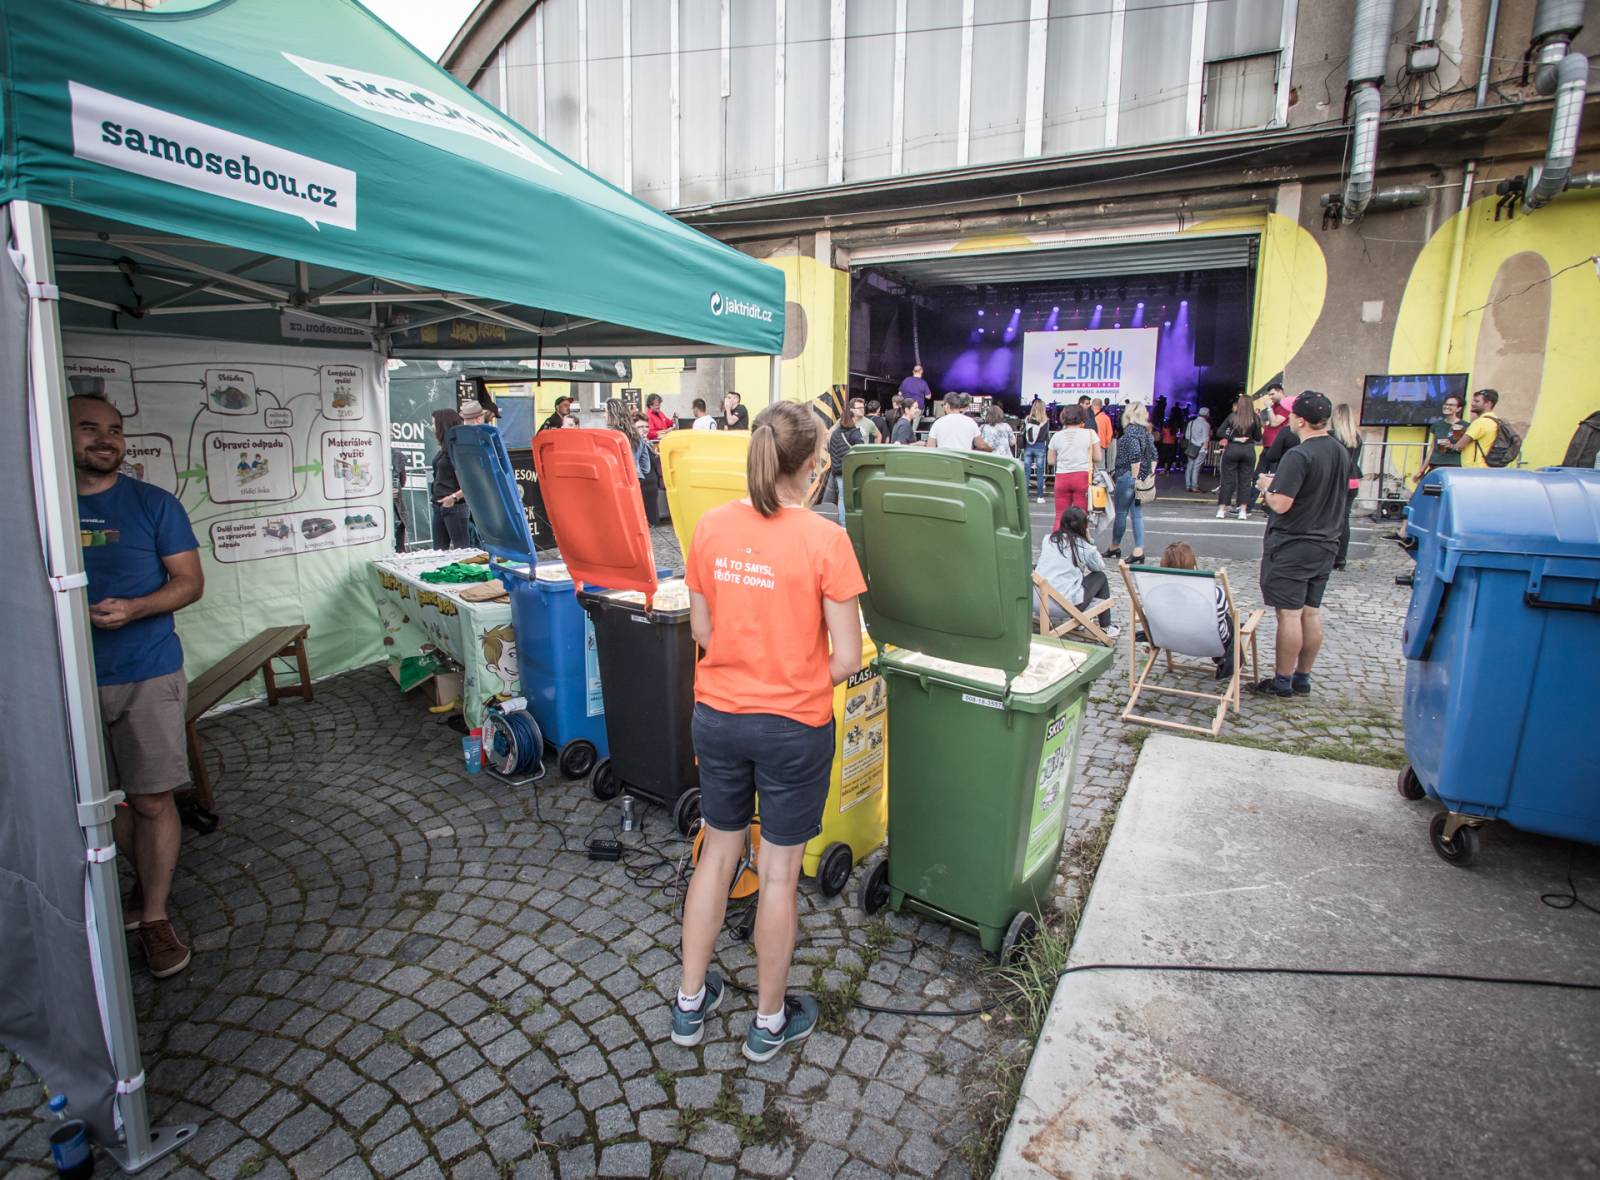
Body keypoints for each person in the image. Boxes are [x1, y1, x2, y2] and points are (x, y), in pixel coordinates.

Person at [674, 400, 866, 1062]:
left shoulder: (710, 527)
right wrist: (793, 675)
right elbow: (848, 656)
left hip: (718, 718)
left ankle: (689, 1005)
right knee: (779, 875)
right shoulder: (826, 540)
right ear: (812, 466)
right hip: (792, 728)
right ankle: (768, 1022)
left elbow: (702, 630)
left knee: (716, 856)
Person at [72, 395, 204, 979]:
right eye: (89, 428)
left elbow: (189, 582)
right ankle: (142, 880)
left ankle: (154, 915)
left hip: (145, 671)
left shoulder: (153, 504)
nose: (106, 439)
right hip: (63, 684)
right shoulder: (38, 505)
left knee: (151, 798)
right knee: (100, 803)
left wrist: (135, 608)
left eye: (115, 430)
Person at [1251, 391, 1349, 697]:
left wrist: (1266, 487)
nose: (1289, 418)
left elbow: (1281, 504)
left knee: (1290, 614)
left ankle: (1282, 681)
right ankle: (1302, 677)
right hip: (1326, 541)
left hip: (1295, 541)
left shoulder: (1299, 454)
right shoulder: (1339, 450)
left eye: (1292, 414)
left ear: (1301, 420)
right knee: (1311, 612)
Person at [1033, 506, 1117, 637]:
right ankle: (1105, 626)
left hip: (1038, 601)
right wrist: (1089, 541)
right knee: (1100, 577)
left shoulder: (1048, 539)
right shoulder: (1083, 546)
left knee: (1043, 568)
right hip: (1063, 607)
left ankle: (1083, 620)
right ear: (1083, 526)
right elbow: (1098, 567)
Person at [1161, 541, 1235, 680]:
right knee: (1228, 620)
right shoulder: (1214, 593)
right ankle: (1228, 661)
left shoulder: (1158, 594)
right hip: (1211, 643)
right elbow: (1219, 618)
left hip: (1170, 638)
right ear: (1193, 566)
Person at [1109, 401, 1157, 562]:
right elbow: (1154, 456)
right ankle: (1139, 549)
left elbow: (1135, 456)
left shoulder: (1129, 433)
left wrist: (1134, 477)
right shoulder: (1146, 434)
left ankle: (1114, 546)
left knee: (1121, 513)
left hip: (1127, 476)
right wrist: (1149, 475)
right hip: (1142, 478)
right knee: (1137, 515)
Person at [607, 398, 658, 525]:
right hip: (636, 480)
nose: (604, 415)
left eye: (606, 412)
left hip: (617, 482)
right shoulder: (636, 436)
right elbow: (646, 466)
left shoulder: (611, 436)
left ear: (612, 414)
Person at [1047, 404, 1100, 518]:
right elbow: (1098, 458)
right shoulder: (1090, 433)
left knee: (1060, 515)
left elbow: (1050, 461)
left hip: (1062, 477)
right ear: (1082, 417)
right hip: (1082, 476)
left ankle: (1060, 530)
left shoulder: (1056, 436)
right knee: (1081, 516)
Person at [1215, 393, 1261, 519]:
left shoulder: (1232, 416)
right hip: (1248, 450)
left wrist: (1234, 438)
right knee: (1245, 482)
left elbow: (1220, 432)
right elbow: (1258, 437)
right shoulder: (1255, 418)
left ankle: (1221, 510)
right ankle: (1243, 511)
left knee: (1227, 480)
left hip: (1232, 450)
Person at [429, 408, 471, 547]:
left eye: (434, 424)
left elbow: (471, 481)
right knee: (439, 550)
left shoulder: (458, 449)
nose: (432, 427)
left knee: (462, 549)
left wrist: (453, 498)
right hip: (439, 504)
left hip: (454, 506)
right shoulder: (444, 449)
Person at [1331, 403, 1365, 570]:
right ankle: (1341, 558)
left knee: (1331, 518)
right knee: (1344, 519)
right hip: (1353, 480)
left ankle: (1331, 554)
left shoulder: (1333, 437)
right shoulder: (1356, 437)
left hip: (1338, 480)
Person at [827, 406, 863, 526]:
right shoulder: (855, 433)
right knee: (855, 497)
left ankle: (843, 524)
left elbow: (831, 451)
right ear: (852, 418)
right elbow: (861, 450)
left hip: (838, 470)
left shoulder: (835, 434)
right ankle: (854, 522)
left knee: (842, 497)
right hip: (852, 470)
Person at [1450, 388, 1501, 467]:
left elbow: (1459, 446)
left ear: (1488, 404)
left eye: (1477, 401)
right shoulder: (1495, 421)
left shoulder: (1480, 422)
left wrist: (1450, 445)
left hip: (1474, 468)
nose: (1472, 404)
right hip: (1486, 467)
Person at [927, 392, 993, 452]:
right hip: (963, 460)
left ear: (947, 405)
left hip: (944, 460)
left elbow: (930, 447)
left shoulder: (938, 423)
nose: (943, 407)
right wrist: (992, 450)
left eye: (943, 405)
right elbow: (981, 445)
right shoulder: (971, 422)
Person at [1424, 393, 1464, 471]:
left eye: (1451, 405)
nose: (1447, 406)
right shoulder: (1437, 425)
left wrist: (1451, 446)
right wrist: (1422, 470)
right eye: (1446, 404)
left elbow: (1466, 449)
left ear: (1458, 409)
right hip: (1435, 465)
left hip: (1454, 466)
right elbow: (1432, 449)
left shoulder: (1465, 425)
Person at [1022, 400, 1051, 504]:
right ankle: (1040, 497)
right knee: (1039, 473)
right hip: (1040, 447)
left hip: (1028, 447)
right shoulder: (1045, 421)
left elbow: (1023, 433)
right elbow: (1046, 435)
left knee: (1026, 473)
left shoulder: (1027, 419)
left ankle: (1025, 497)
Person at [1184, 407, 1211, 492]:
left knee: (1189, 467)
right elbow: (1206, 439)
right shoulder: (1206, 424)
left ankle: (1188, 486)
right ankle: (1194, 486)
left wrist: (1194, 440)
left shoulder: (1191, 423)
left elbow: (1187, 436)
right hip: (1201, 449)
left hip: (1191, 448)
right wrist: (1206, 450)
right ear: (1206, 414)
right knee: (1196, 468)